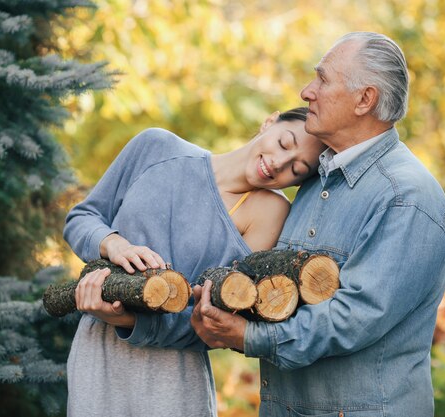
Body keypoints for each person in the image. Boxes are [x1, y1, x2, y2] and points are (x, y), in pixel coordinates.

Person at [191, 32, 445, 417]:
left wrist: (253, 338)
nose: (305, 92)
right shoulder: (315, 182)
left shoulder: (407, 197)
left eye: (322, 80)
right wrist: (222, 311)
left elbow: (356, 317)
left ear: (364, 100)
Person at [63, 106, 326, 417]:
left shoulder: (269, 212)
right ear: (270, 121)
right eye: (285, 143)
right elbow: (82, 218)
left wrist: (128, 321)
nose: (280, 163)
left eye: (297, 169)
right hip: (98, 355)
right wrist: (112, 243)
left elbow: (214, 319)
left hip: (173, 376)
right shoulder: (155, 147)